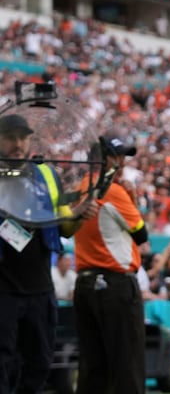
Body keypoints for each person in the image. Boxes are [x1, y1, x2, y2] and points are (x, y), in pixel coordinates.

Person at [0, 114, 97, 394]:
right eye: (10, 138)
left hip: (40, 289)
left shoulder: (47, 174)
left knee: (40, 363)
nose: (17, 144)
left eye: (22, 137)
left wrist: (79, 215)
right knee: (3, 364)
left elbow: (64, 226)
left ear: (30, 139)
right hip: (3, 289)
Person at [73, 133, 150, 394]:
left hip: (85, 284)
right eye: (118, 156)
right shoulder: (114, 191)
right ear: (106, 160)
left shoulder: (80, 187)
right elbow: (142, 235)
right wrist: (133, 200)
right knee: (127, 368)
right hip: (115, 286)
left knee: (93, 370)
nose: (123, 162)